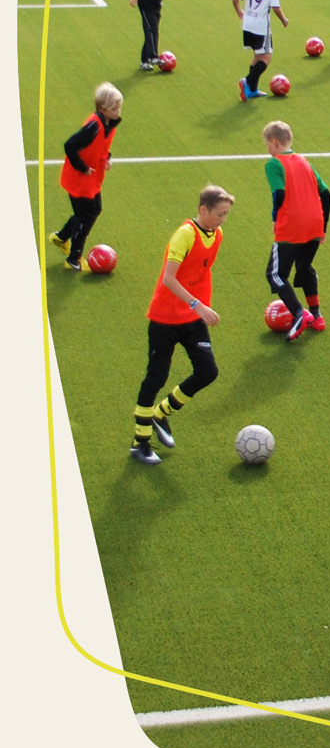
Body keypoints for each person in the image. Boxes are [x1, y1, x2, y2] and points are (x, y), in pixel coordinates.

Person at [130, 185, 235, 465]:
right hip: (165, 318)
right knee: (156, 377)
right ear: (203, 210)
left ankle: (161, 414)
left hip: (192, 319)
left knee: (207, 371)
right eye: (220, 214)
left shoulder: (217, 235)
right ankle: (139, 442)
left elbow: (199, 273)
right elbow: (169, 278)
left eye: (226, 214)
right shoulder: (185, 235)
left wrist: (199, 308)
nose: (223, 219)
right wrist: (198, 304)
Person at [262, 120, 330, 341]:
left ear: (274, 142)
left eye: (267, 144)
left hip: (292, 227)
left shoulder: (274, 164)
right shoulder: (304, 161)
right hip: (314, 225)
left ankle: (300, 314)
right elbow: (326, 193)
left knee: (275, 274)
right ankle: (317, 316)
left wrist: (275, 218)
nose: (267, 148)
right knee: (304, 266)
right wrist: (323, 227)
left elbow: (279, 194)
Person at [49, 82, 123, 272]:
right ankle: (74, 258)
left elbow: (103, 145)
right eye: (114, 108)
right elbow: (70, 145)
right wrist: (82, 167)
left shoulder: (109, 124)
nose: (118, 111)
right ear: (102, 108)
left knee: (94, 210)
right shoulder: (94, 126)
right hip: (79, 179)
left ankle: (61, 237)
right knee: (86, 215)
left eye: (119, 107)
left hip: (92, 179)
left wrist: (107, 158)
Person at [233, 0, 287, 100]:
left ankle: (252, 90)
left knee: (257, 56)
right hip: (261, 27)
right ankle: (247, 82)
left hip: (247, 24)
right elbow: (275, 7)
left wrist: (239, 12)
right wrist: (283, 20)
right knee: (267, 57)